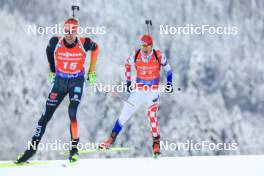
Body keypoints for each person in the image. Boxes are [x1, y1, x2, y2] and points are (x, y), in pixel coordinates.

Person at [16, 17, 99, 163]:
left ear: (76, 31)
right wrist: (52, 71)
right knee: (45, 117)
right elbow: (48, 50)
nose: (69, 34)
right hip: (59, 83)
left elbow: (96, 48)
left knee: (72, 112)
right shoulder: (56, 41)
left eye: (72, 31)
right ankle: (31, 150)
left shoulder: (84, 43)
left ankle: (74, 150)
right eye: (67, 30)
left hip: (76, 82)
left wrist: (92, 71)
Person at [99, 34, 173, 157]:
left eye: (147, 48)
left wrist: (169, 83)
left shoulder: (158, 55)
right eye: (142, 47)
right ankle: (110, 140)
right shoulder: (136, 54)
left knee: (151, 116)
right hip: (139, 91)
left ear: (151, 46)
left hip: (153, 91)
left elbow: (168, 70)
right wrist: (128, 82)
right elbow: (127, 64)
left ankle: (156, 143)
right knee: (124, 115)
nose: (144, 50)